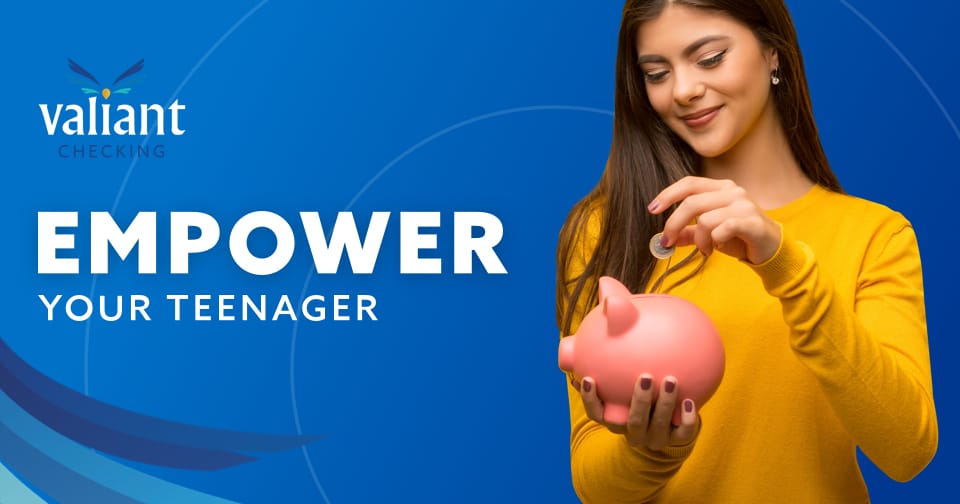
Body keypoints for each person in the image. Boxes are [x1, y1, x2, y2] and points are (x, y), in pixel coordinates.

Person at [555, 1, 939, 502]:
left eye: (710, 58)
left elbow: (907, 450)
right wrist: (649, 452)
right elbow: (591, 481)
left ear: (772, 52)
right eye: (656, 73)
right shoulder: (607, 228)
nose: (684, 90)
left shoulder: (874, 235)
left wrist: (783, 262)